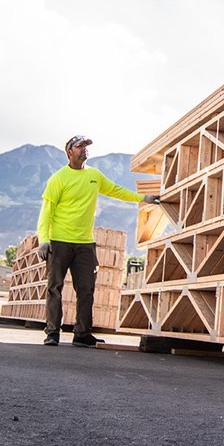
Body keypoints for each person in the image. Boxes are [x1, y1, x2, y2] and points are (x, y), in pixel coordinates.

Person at [37, 135, 159, 347]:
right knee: (54, 288)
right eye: (80, 146)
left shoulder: (94, 175)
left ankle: (82, 334)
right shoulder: (58, 178)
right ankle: (52, 333)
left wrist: (143, 199)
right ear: (69, 152)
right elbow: (46, 212)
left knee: (86, 289)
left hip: (85, 243)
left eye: (86, 146)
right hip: (59, 242)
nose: (85, 150)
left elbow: (116, 190)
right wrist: (44, 240)